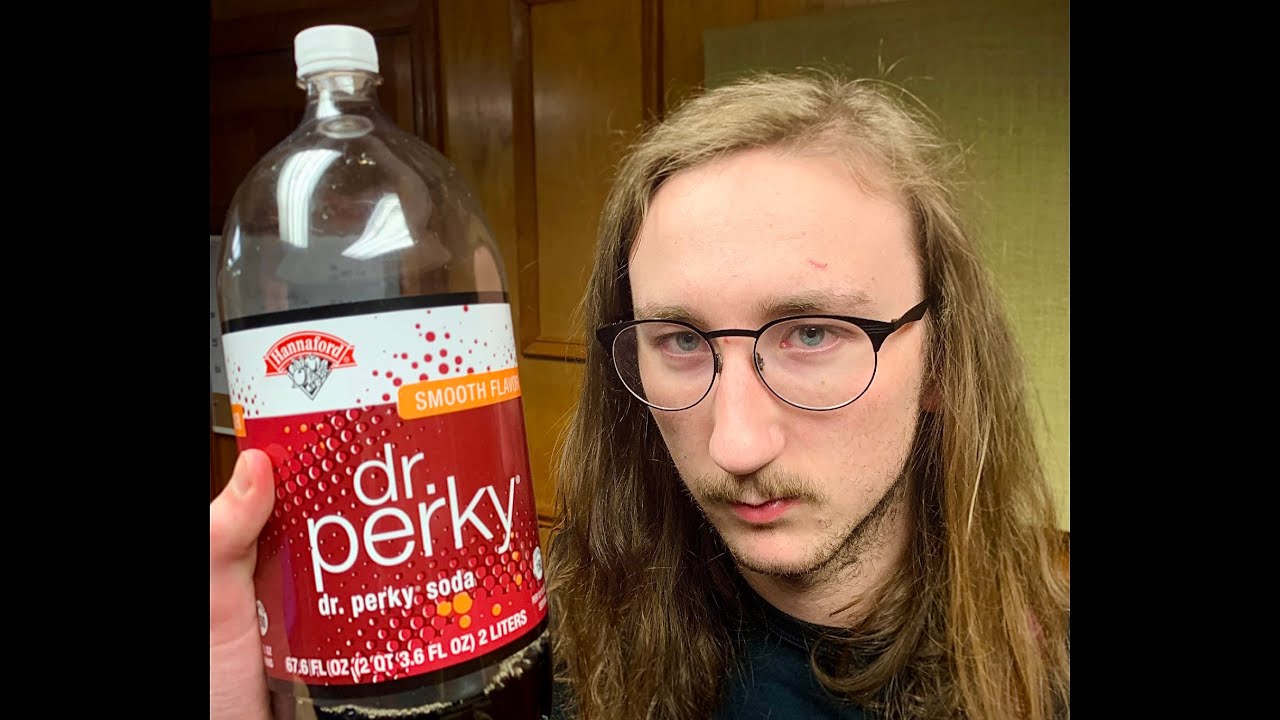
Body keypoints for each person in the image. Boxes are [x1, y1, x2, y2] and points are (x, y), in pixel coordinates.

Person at [211, 71, 1070, 720]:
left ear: (942, 361)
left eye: (813, 334)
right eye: (681, 341)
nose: (735, 446)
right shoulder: (559, 659)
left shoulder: (1048, 672)